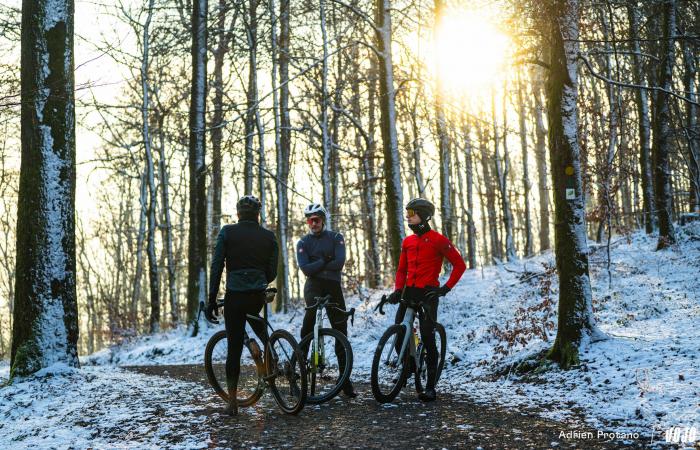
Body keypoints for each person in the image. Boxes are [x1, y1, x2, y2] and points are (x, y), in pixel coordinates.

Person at [205, 195, 278, 416]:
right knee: (255, 318)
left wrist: (211, 301)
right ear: (258, 214)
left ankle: (233, 403)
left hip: (235, 297)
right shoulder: (268, 236)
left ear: (238, 214)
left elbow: (217, 267)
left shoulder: (227, 232)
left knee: (234, 349)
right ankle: (271, 354)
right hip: (257, 295)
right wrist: (257, 279)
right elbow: (272, 273)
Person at [387, 198, 466, 402]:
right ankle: (410, 365)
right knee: (398, 334)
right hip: (408, 293)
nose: (407, 216)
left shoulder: (438, 240)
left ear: (423, 216)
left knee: (428, 338)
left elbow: (459, 265)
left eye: (411, 213)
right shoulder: (408, 242)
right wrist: (397, 290)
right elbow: (402, 269)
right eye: (407, 213)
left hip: (428, 294)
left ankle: (430, 387)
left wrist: (445, 289)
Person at [296, 203, 357, 398]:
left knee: (341, 330)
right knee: (308, 324)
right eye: (309, 220)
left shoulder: (336, 238)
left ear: (322, 220)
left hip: (333, 286)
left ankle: (344, 380)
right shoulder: (303, 243)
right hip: (313, 286)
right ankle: (296, 375)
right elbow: (306, 269)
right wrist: (324, 260)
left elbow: (339, 263)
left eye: (316, 220)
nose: (312, 224)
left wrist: (318, 263)